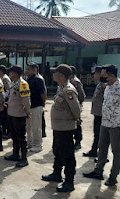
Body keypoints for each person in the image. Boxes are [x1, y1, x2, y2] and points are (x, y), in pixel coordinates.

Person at [83, 64, 120, 186]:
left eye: (104, 75)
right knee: (102, 148)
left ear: (111, 75)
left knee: (116, 151)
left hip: (118, 125)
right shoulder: (107, 87)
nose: (101, 77)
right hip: (105, 123)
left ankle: (113, 177)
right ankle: (98, 171)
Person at [42, 64, 81, 193]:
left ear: (60, 76)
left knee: (67, 155)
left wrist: (77, 119)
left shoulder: (68, 89)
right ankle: (56, 174)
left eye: (55, 73)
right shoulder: (61, 88)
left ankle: (69, 181)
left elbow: (75, 108)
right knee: (57, 151)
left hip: (65, 127)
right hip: (59, 127)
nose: (53, 75)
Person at [4, 65, 31, 168]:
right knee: (14, 136)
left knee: (21, 137)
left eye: (10, 72)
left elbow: (26, 100)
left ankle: (24, 158)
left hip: (19, 114)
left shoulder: (23, 84)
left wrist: (27, 112)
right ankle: (15, 154)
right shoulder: (14, 83)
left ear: (15, 73)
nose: (9, 74)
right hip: (12, 113)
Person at [83, 66, 105, 158]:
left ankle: (102, 155)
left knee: (101, 135)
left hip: (102, 114)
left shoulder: (104, 86)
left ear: (100, 74)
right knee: (97, 134)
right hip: (98, 114)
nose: (94, 75)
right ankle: (94, 150)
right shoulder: (100, 84)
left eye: (95, 73)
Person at [25, 63, 47, 153]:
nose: (26, 71)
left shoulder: (38, 79)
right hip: (30, 106)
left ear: (35, 70)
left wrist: (43, 103)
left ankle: (38, 145)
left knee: (36, 126)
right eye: (26, 69)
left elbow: (43, 93)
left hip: (36, 105)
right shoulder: (29, 79)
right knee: (29, 126)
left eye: (28, 69)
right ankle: (30, 143)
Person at [70, 66, 86, 150]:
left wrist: (77, 104)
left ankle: (78, 141)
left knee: (77, 124)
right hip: (69, 107)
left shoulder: (75, 82)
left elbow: (81, 96)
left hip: (75, 106)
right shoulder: (69, 81)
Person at [0, 65, 12, 139]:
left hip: (6, 99)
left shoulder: (5, 78)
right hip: (3, 99)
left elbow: (8, 90)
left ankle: (8, 132)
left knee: (6, 117)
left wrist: (4, 99)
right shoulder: (1, 78)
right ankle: (4, 131)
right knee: (2, 118)